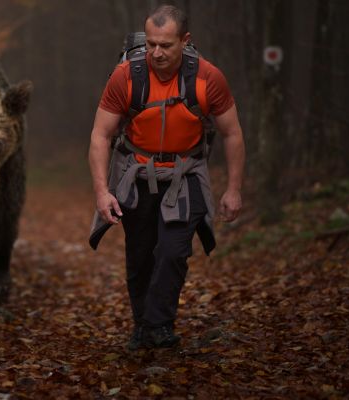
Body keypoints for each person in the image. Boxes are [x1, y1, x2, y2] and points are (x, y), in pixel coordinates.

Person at [88, 5, 245, 350]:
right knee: (140, 254)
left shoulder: (207, 78)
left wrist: (233, 189)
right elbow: (101, 135)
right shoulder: (126, 76)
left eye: (166, 45)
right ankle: (143, 325)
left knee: (173, 252)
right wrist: (102, 192)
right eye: (151, 44)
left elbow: (232, 133)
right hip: (135, 174)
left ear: (185, 41)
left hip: (185, 175)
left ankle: (158, 324)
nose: (156, 53)